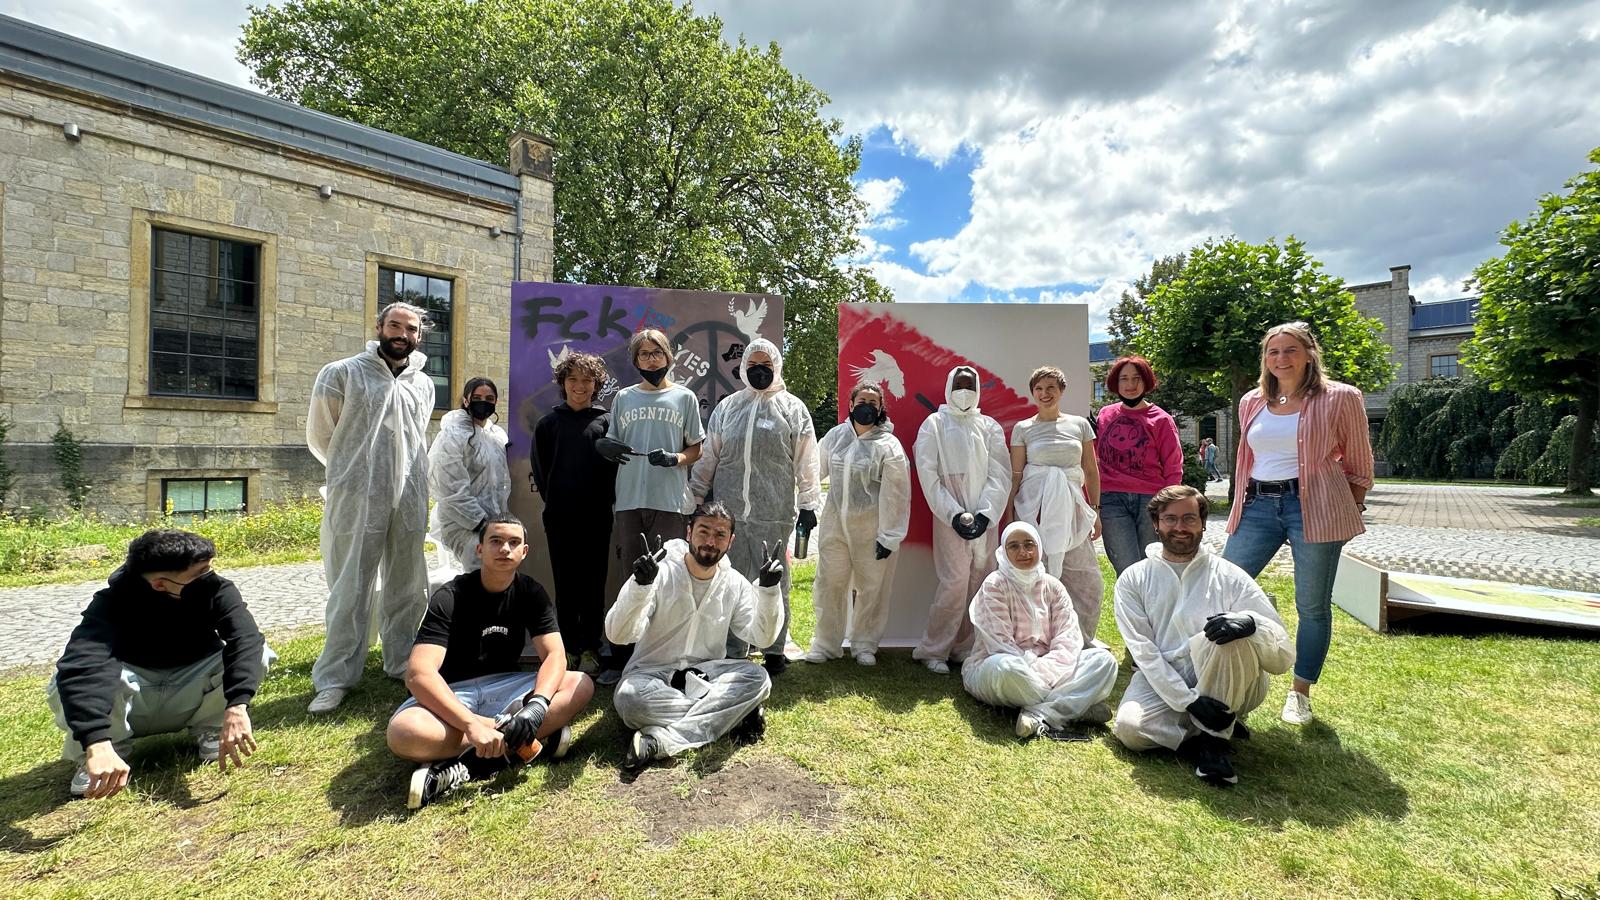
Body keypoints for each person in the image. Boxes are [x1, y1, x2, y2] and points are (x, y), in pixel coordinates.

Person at [1221, 322, 1373, 726]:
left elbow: (1358, 461)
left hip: (1315, 507)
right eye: (1273, 352)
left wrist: (1352, 505)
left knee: (1312, 605)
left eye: (1290, 350)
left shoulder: (1340, 397)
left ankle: (1300, 692)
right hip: (1258, 504)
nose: (1281, 359)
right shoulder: (1252, 401)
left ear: (1309, 354)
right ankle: (1233, 665)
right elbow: (1246, 459)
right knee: (1222, 585)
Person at [386, 514, 594, 808]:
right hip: (453, 694)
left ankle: (466, 763)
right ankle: (523, 740)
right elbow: (419, 674)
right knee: (403, 732)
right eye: (495, 541)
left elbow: (554, 655)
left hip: (505, 687)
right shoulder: (450, 596)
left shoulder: (531, 592)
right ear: (480, 549)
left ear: (524, 551)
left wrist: (538, 705)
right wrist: (471, 724)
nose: (505, 549)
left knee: (579, 683)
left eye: (513, 542)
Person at [48, 530, 273, 799]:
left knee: (258, 653)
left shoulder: (218, 589)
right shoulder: (111, 602)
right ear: (160, 584)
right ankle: (107, 751)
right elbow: (84, 664)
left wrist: (237, 705)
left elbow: (245, 639)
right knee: (66, 680)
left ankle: (211, 729)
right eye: (199, 572)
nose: (210, 577)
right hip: (136, 698)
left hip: (190, 688)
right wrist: (95, 741)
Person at [1113, 485, 1294, 785]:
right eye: (1171, 519)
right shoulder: (1134, 579)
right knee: (1131, 730)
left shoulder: (1229, 575)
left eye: (1189, 518)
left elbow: (1282, 656)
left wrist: (1252, 624)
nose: (1180, 527)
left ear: (1203, 523)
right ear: (1156, 523)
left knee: (1228, 636)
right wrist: (1189, 701)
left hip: (1234, 674)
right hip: (1164, 677)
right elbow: (1144, 651)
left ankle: (1214, 745)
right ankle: (1213, 723)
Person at [305, 301, 435, 713]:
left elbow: (414, 439)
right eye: (394, 325)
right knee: (350, 587)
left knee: (408, 585)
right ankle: (336, 678)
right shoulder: (341, 373)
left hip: (410, 497)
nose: (402, 334)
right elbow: (322, 436)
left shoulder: (423, 384)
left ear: (418, 336)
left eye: (411, 329)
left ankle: (401, 663)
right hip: (357, 497)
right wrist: (355, 475)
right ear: (379, 327)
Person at [606, 502, 785, 769]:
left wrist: (769, 592)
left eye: (720, 535)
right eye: (703, 531)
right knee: (630, 699)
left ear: (731, 541)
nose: (710, 542)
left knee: (758, 678)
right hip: (651, 675)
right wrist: (639, 586)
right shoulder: (660, 572)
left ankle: (661, 741)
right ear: (689, 532)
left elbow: (761, 637)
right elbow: (618, 634)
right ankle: (734, 714)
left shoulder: (734, 583)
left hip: (707, 676)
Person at [689, 338, 821, 677]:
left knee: (775, 581)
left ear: (776, 366)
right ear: (743, 368)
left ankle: (775, 649)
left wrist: (808, 502)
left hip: (773, 511)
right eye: (753, 365)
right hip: (728, 515)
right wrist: (696, 495)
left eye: (766, 365)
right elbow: (709, 457)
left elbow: (807, 460)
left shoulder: (792, 409)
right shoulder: (728, 408)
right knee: (732, 581)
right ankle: (735, 649)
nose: (759, 371)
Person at [592, 328, 705, 686]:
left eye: (657, 353)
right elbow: (612, 443)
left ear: (668, 356)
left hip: (669, 501)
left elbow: (695, 449)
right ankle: (625, 656)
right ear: (635, 361)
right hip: (629, 500)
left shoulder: (684, 397)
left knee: (669, 578)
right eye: (643, 355)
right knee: (632, 579)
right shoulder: (624, 398)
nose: (651, 360)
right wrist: (605, 447)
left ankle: (665, 657)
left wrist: (676, 458)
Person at [964, 522, 1119, 739]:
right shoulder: (995, 585)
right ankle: (1075, 705)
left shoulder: (1053, 586)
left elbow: (1068, 638)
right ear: (1003, 551)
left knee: (1104, 661)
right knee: (1007, 669)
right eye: (1014, 546)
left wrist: (1045, 669)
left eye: (1029, 545)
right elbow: (999, 644)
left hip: (1052, 667)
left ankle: (1040, 713)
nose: (1023, 552)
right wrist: (1035, 671)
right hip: (1002, 667)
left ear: (1038, 548)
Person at [912, 365, 1010, 674]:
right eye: (959, 385)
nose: (964, 392)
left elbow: (1000, 473)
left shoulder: (989, 426)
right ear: (949, 388)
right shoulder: (934, 424)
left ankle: (968, 648)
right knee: (954, 583)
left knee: (982, 581)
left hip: (984, 513)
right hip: (949, 511)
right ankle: (935, 648)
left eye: (969, 385)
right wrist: (953, 514)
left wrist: (985, 514)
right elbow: (928, 473)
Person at [805, 384, 912, 666]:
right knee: (830, 582)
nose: (867, 406)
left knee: (872, 587)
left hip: (872, 530)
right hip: (835, 527)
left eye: (873, 402)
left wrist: (889, 536)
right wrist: (805, 503)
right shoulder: (836, 437)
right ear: (851, 405)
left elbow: (898, 495)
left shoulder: (888, 446)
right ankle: (826, 643)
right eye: (862, 400)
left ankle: (864, 643)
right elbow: (814, 470)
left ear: (880, 409)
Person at [532, 351, 619, 676]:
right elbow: (541, 474)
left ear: (596, 385)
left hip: (597, 518)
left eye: (587, 380)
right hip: (559, 518)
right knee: (565, 586)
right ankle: (567, 648)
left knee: (594, 585)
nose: (579, 386)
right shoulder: (548, 424)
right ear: (563, 382)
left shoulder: (608, 423)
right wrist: (558, 503)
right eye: (573, 379)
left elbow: (615, 472)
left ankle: (591, 648)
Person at [1008, 365, 1104, 645]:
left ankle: (1082, 640)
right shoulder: (1023, 428)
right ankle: (1040, 640)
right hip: (1034, 509)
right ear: (1032, 394)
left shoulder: (1080, 425)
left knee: (1088, 581)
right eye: (1039, 389)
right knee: (1038, 576)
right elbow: (1016, 473)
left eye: (1051, 387)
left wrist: (1095, 511)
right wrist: (1011, 515)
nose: (1045, 393)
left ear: (1061, 391)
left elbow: (1090, 469)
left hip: (1072, 508)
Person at [1095, 355, 1183, 578]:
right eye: (1124, 378)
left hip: (1151, 500)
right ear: (1116, 383)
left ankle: (1157, 612)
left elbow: (1173, 464)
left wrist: (1168, 504)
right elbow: (1095, 456)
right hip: (1111, 499)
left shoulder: (1161, 419)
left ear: (1146, 381)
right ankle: (1131, 613)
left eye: (1136, 378)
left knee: (1152, 565)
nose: (1130, 385)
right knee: (1126, 568)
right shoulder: (1106, 415)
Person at [427, 377, 511, 575]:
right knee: (479, 575)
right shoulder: (453, 435)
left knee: (498, 573)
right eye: (477, 397)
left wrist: (497, 523)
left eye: (489, 398)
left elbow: (501, 483)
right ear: (466, 400)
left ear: (496, 402)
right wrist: (480, 523)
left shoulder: (496, 436)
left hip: (493, 521)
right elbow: (450, 489)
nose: (484, 402)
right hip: (462, 524)